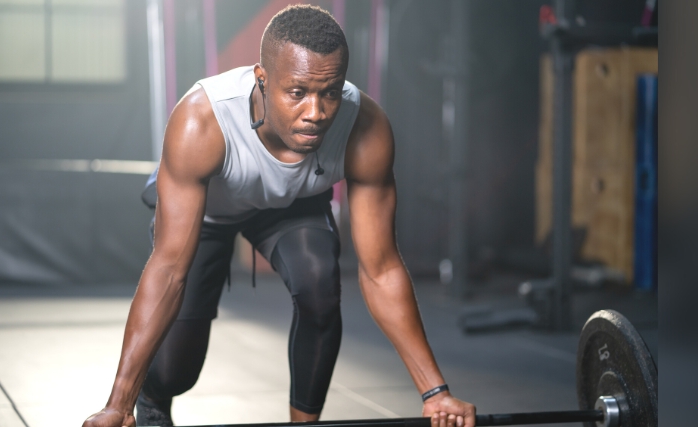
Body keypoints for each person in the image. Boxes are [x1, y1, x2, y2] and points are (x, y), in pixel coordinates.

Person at [83, 5, 476, 427]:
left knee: (320, 286)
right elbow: (168, 269)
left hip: (292, 205)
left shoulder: (365, 126)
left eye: (330, 91)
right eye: (297, 92)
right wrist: (117, 404)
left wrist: (436, 392)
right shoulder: (203, 120)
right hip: (211, 214)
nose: (317, 112)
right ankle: (153, 397)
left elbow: (381, 269)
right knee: (177, 369)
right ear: (262, 80)